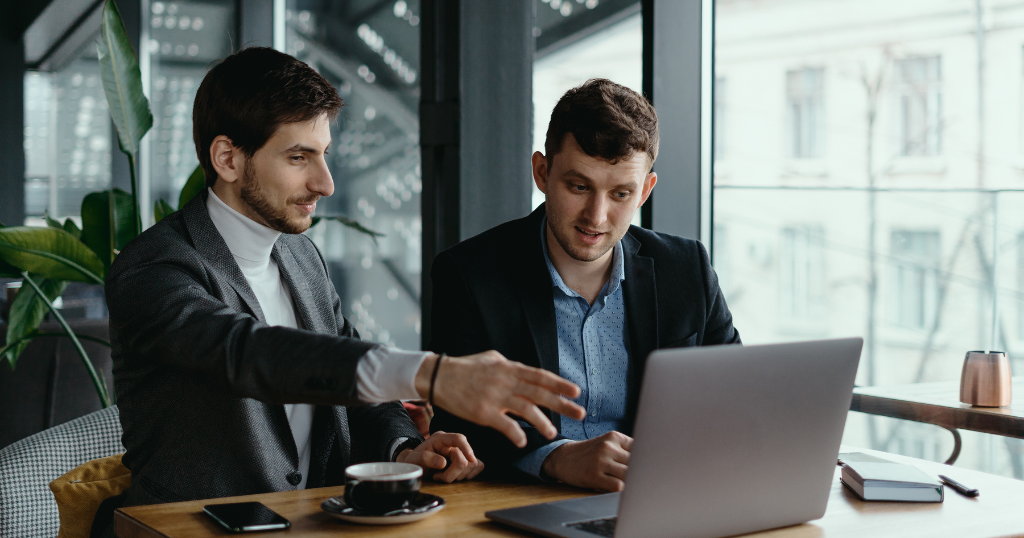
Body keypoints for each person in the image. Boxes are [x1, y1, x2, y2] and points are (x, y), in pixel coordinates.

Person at [103, 47, 585, 521]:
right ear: (228, 159)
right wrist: (432, 374)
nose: (326, 183)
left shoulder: (300, 257)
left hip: (315, 525)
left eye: (324, 155)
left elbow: (350, 382)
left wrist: (405, 451)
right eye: (299, 157)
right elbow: (248, 354)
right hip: (184, 529)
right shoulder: (154, 267)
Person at [428, 78, 741, 492]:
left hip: (660, 499)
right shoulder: (468, 275)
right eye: (579, 186)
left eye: (620, 194)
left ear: (645, 190)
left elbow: (737, 401)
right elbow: (459, 433)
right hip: (523, 506)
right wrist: (555, 458)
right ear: (542, 172)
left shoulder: (687, 270)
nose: (597, 216)